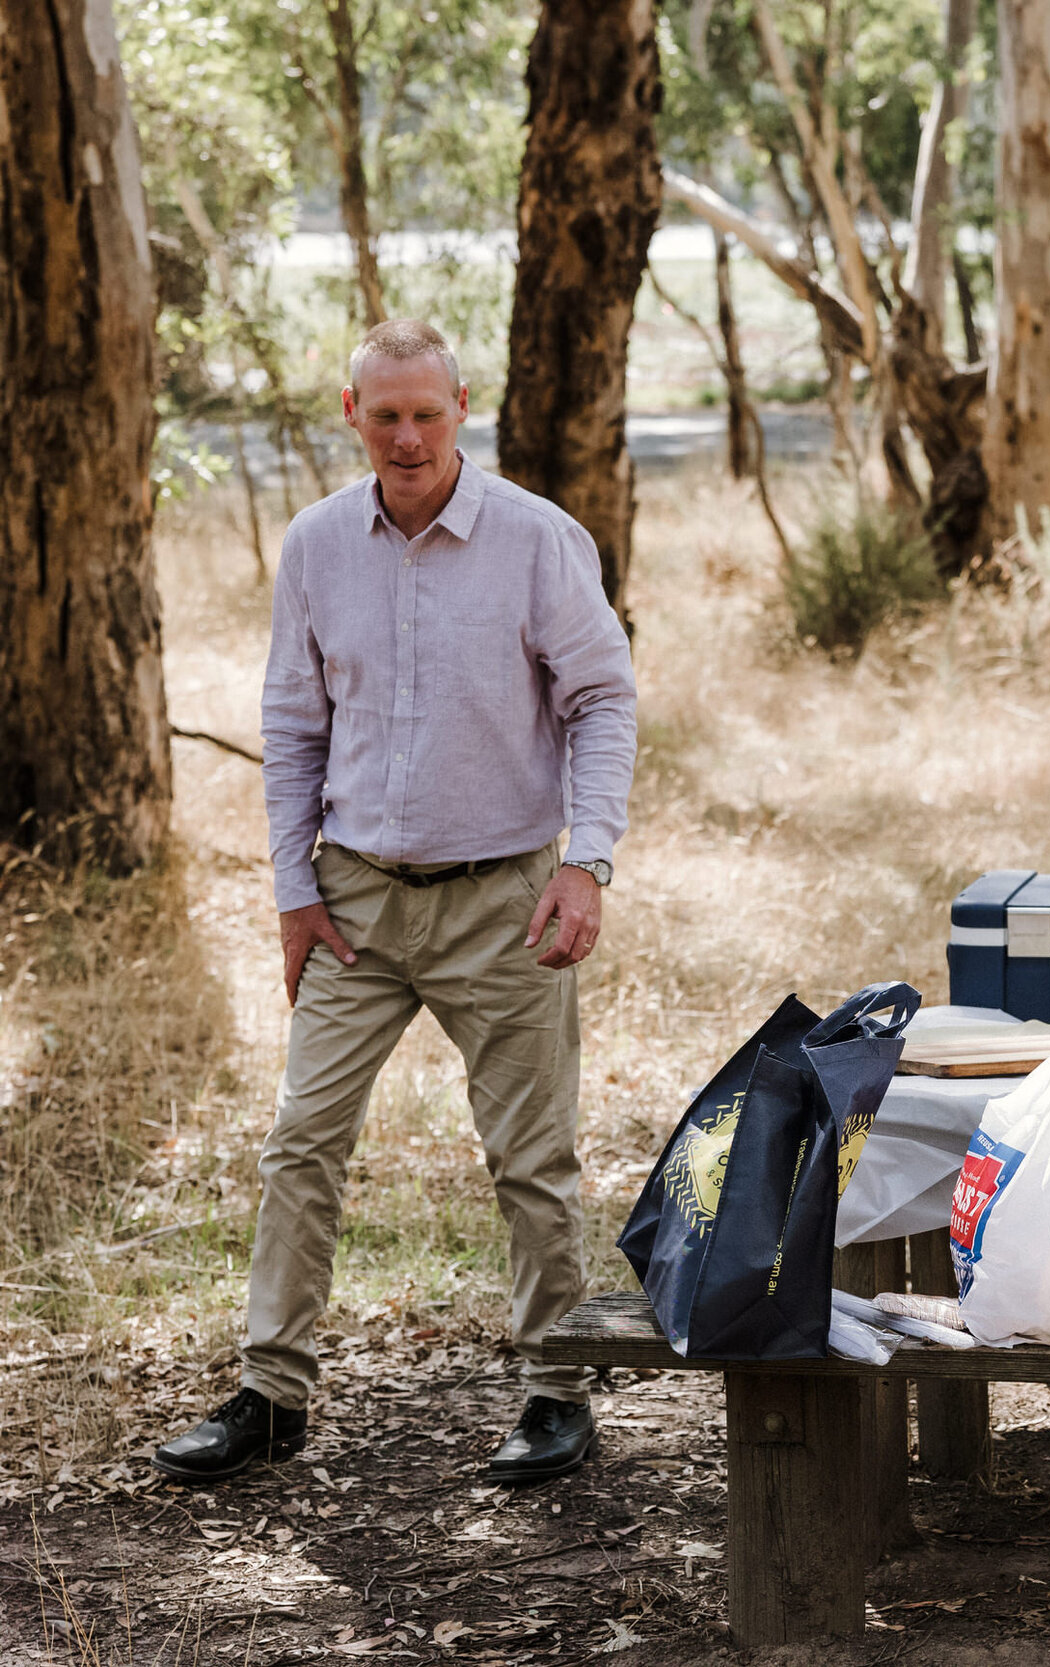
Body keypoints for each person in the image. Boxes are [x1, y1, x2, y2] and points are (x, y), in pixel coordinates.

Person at [152, 319, 637, 1487]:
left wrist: (590, 862)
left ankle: (556, 1390)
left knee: (531, 1155)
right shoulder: (319, 543)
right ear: (351, 413)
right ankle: (272, 1393)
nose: (408, 436)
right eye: (386, 415)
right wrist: (290, 891)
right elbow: (291, 721)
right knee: (299, 1142)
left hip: (506, 897)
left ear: (461, 406)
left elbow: (603, 699)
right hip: (354, 897)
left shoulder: (535, 540)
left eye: (427, 412)